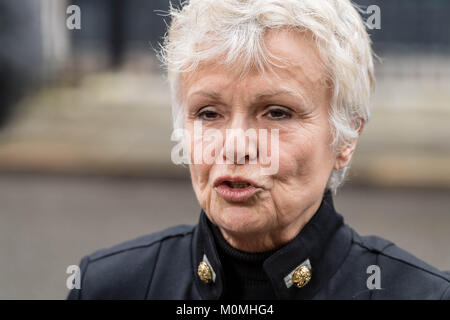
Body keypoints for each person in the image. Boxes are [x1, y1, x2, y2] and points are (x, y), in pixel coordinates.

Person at [68, 0, 450, 299]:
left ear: (346, 138)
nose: (236, 146)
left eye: (278, 113)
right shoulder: (110, 286)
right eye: (209, 113)